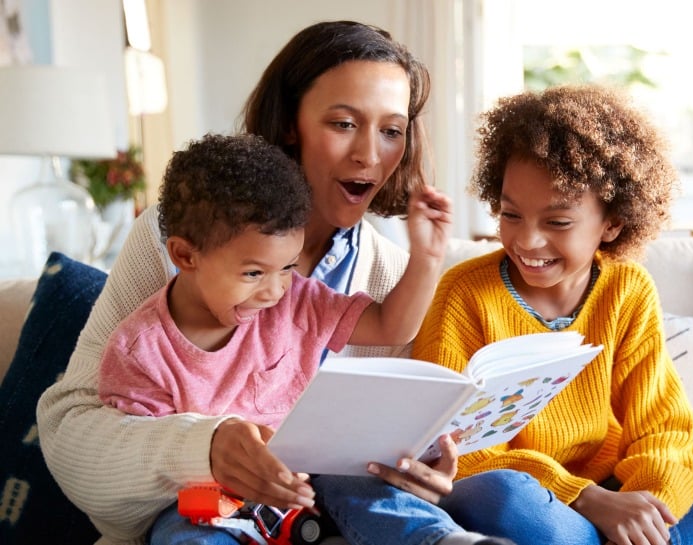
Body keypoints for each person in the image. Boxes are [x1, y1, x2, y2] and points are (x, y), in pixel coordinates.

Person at [36, 20, 463, 544]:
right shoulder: (177, 236)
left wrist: (422, 469)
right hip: (202, 514)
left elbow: (393, 445)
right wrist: (202, 449)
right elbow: (71, 439)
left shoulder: (396, 279)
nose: (370, 156)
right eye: (344, 123)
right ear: (290, 124)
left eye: (391, 130)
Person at [406, 84, 693, 545]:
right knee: (500, 496)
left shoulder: (626, 289)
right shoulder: (464, 292)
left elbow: (663, 429)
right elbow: (451, 448)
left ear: (612, 223)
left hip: (615, 489)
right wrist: (588, 501)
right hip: (530, 494)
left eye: (557, 222)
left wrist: (640, 508)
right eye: (511, 214)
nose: (526, 241)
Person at [96, 132, 505, 545]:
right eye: (253, 273)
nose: (274, 291)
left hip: (314, 489)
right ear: (185, 256)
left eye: (288, 267)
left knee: (368, 486)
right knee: (177, 532)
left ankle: (440, 540)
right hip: (211, 505)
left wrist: (427, 257)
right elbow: (146, 470)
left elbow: (390, 327)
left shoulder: (296, 300)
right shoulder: (139, 351)